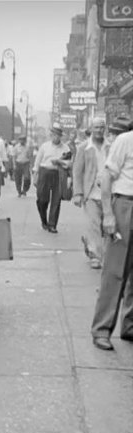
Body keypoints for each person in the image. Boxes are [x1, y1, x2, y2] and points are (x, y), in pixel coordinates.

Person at [90, 120, 133, 351]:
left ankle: (130, 326)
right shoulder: (125, 141)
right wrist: (108, 214)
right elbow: (106, 178)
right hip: (125, 206)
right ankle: (102, 329)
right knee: (115, 271)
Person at [72, 117, 108, 269]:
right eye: (96, 127)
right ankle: (95, 256)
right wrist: (78, 193)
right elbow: (77, 171)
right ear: (91, 129)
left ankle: (90, 243)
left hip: (108, 193)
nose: (99, 130)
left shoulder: (111, 146)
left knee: (105, 226)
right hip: (91, 192)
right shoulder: (83, 147)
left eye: (102, 127)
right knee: (93, 224)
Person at [33, 123, 71, 234]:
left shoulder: (66, 148)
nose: (56, 137)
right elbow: (37, 161)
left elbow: (69, 163)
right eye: (54, 135)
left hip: (59, 173)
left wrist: (60, 162)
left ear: (61, 136)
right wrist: (35, 175)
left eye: (58, 135)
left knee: (56, 199)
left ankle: (52, 225)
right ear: (51, 135)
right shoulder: (44, 146)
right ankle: (44, 220)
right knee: (42, 199)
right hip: (45, 172)